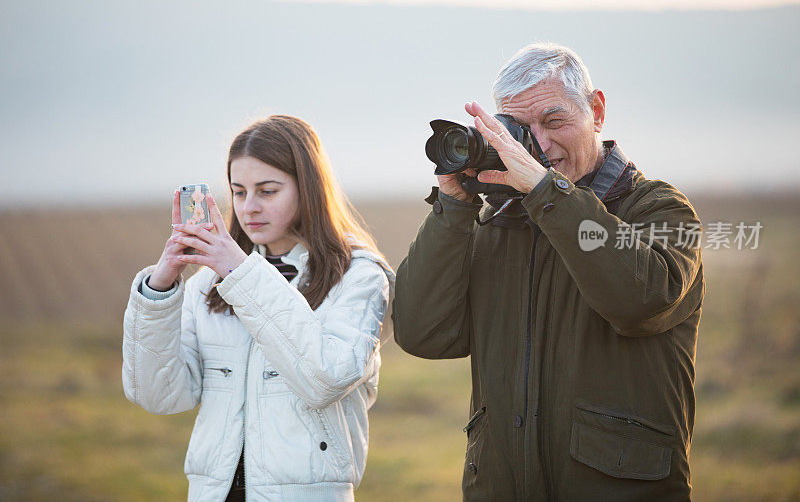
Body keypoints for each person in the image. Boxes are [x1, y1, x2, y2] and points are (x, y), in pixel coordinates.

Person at [392, 43, 705, 501]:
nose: (538, 144)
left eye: (554, 121)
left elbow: (639, 303)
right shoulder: (496, 223)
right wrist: (452, 207)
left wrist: (545, 191)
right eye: (520, 129)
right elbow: (423, 334)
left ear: (596, 111)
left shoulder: (658, 209)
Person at [122, 115, 394, 501]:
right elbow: (159, 395)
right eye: (238, 192)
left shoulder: (358, 277)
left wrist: (240, 273)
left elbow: (325, 379)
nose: (249, 207)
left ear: (309, 189)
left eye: (267, 191)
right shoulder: (209, 283)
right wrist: (160, 289)